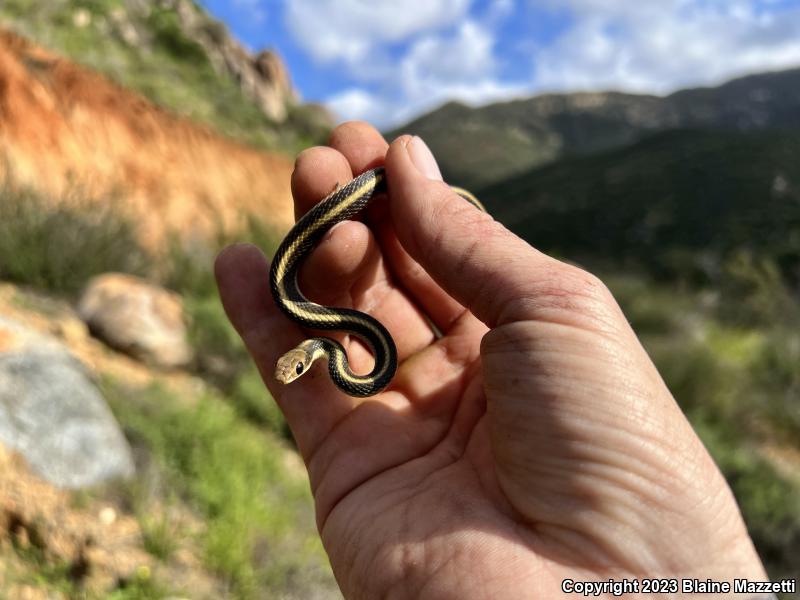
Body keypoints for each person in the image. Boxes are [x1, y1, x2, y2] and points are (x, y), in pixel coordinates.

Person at [215, 122, 774, 599]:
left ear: (311, 354)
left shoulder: (340, 353)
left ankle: (404, 196)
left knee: (340, 226)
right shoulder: (336, 353)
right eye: (293, 369)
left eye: (293, 366)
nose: (289, 372)